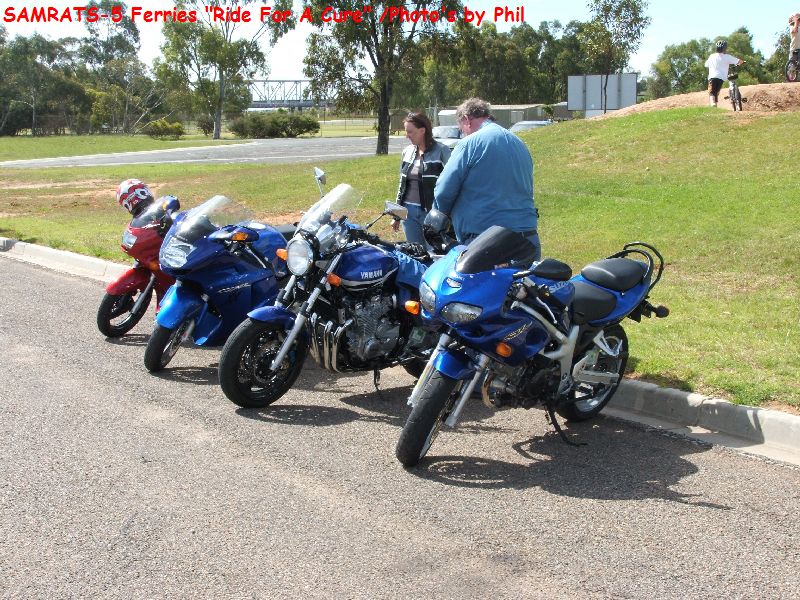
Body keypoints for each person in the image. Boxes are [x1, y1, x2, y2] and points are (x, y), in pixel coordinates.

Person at [429, 97, 540, 260]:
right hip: (527, 237)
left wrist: (437, 218)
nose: (462, 133)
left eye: (461, 129)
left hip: (487, 240)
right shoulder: (519, 143)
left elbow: (444, 190)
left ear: (466, 120)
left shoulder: (469, 143)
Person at [393, 112, 451, 245]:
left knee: (434, 251)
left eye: (410, 132)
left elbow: (451, 183)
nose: (407, 135)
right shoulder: (407, 152)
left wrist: (446, 213)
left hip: (432, 213)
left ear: (422, 131)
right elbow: (402, 185)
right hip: (409, 213)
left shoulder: (442, 151)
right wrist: (397, 215)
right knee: (415, 251)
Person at [704, 40, 744, 107]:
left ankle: (713, 104)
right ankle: (715, 105)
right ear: (725, 48)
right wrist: (743, 62)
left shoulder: (712, 56)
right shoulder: (727, 57)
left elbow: (706, 65)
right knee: (716, 92)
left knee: (712, 92)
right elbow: (739, 61)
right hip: (721, 78)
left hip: (712, 76)